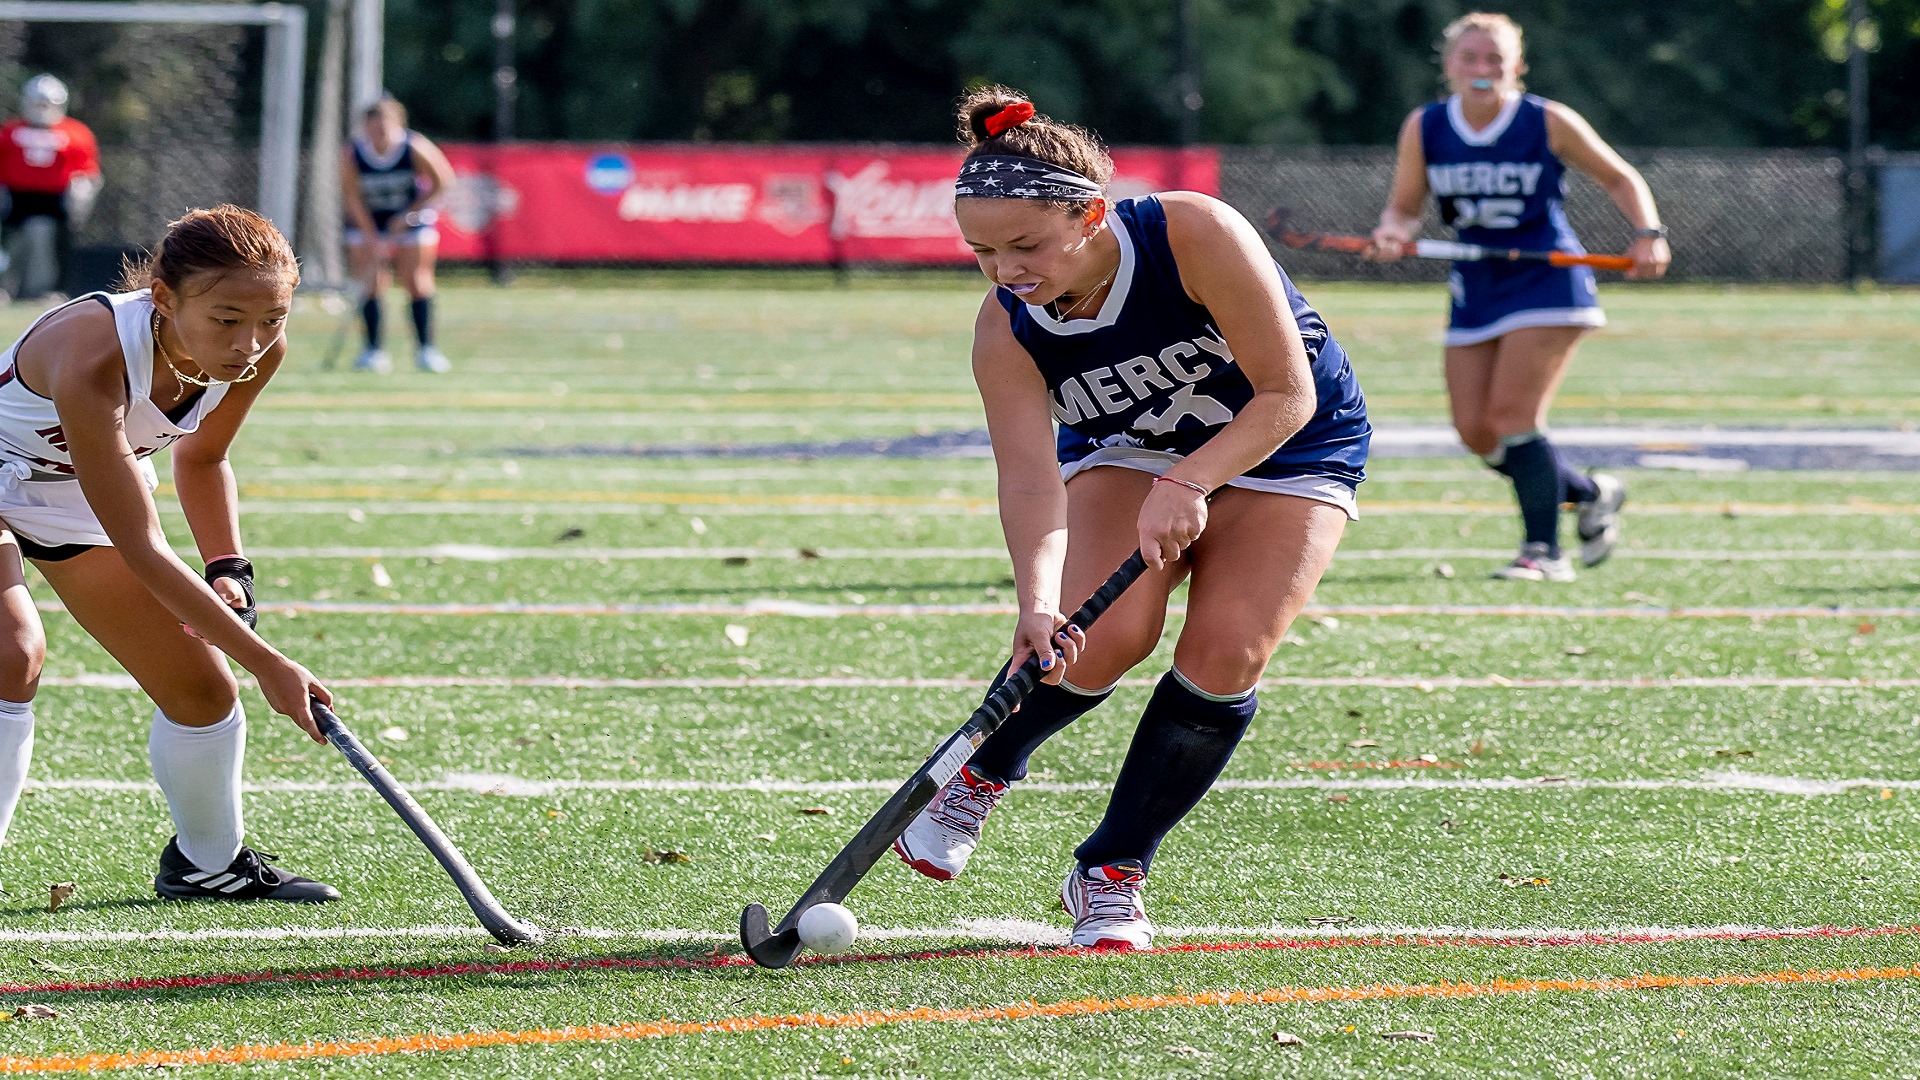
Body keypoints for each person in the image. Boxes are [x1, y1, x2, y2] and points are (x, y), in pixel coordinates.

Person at [891, 89, 1369, 949]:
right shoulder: (1007, 328)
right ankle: (984, 769)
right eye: (982, 252)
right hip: (1130, 446)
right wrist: (1035, 603)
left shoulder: (1192, 233)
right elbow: (1032, 485)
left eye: (1027, 245)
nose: (1007, 271)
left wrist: (1194, 480)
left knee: (1227, 652)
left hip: (1289, 440)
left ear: (1091, 215)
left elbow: (1287, 392)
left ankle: (1112, 871)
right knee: (1095, 632)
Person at [0, 205, 339, 903]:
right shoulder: (92, 352)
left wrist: (228, 569)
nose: (249, 342)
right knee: (13, 651)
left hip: (68, 498)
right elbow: (145, 548)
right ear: (164, 298)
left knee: (202, 691)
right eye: (226, 319)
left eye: (271, 319)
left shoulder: (257, 353)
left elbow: (205, 458)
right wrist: (271, 666)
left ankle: (207, 864)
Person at [1370, 12, 1668, 582]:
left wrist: (1647, 234)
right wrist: (1393, 233)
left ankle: (1543, 552)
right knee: (1475, 431)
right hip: (1475, 284)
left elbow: (1619, 177)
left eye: (1495, 61)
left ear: (1517, 67)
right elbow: (1405, 207)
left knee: (1513, 417)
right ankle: (1587, 491)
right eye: (1470, 59)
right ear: (1450, 65)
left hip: (1547, 281)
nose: (1482, 71)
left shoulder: (1546, 120)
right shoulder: (1427, 126)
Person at [341, 95, 455, 374]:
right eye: (373, 126)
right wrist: (371, 234)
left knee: (416, 280)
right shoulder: (353, 153)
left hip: (409, 219)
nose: (379, 132)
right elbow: (352, 196)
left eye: (385, 126)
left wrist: (408, 216)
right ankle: (373, 351)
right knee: (371, 282)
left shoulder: (414, 147)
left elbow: (443, 182)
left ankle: (426, 349)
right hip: (370, 221)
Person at [0, 75, 103, 302]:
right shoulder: (9, 131)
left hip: (53, 201)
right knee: (13, 244)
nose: (41, 109)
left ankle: (41, 289)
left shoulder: (76, 133)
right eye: (37, 103)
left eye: (46, 104)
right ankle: (7, 287)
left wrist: (81, 197)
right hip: (15, 199)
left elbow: (87, 172)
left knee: (42, 237)